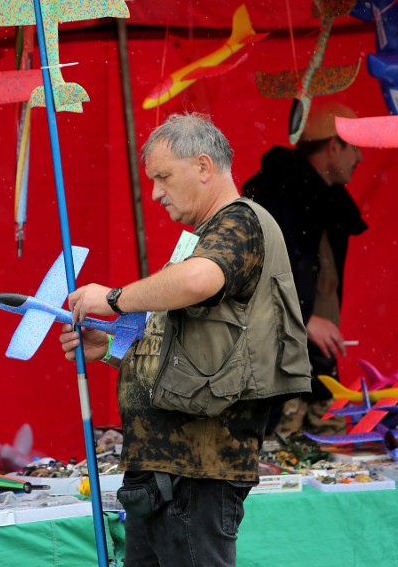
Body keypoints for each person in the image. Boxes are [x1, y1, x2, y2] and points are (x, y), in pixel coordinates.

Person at [58, 113, 311, 566]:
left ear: (202, 166)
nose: (155, 192)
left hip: (198, 474)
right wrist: (117, 348)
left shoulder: (241, 224)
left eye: (163, 177)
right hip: (165, 473)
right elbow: (197, 346)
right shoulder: (211, 235)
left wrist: (114, 299)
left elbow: (198, 282)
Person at [242, 100, 368, 437]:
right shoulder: (278, 194)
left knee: (331, 461)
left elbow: (317, 277)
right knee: (274, 465)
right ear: (332, 146)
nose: (360, 158)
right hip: (276, 369)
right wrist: (306, 317)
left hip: (315, 364)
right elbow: (250, 274)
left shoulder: (328, 198)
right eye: (354, 148)